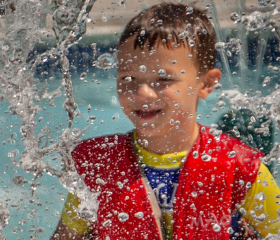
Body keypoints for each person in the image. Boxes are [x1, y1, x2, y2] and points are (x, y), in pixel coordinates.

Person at [48, 4, 280, 239]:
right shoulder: (99, 170)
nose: (143, 93)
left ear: (207, 84)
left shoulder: (242, 171)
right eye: (128, 78)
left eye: (163, 79)